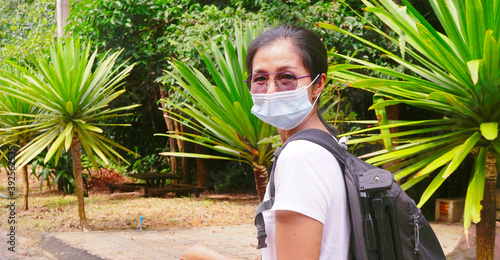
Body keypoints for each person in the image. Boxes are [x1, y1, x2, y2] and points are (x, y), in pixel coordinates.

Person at [181, 25, 350, 260]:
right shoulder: (330, 145)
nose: (270, 91)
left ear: (318, 85)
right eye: (260, 79)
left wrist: (205, 257)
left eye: (286, 77)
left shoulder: (301, 157)